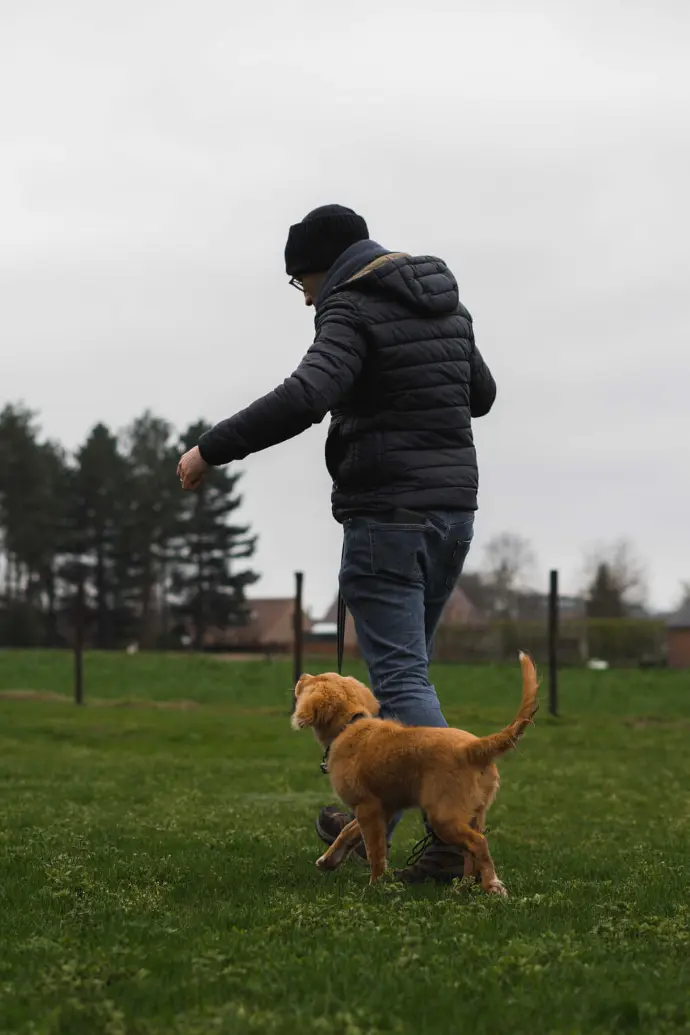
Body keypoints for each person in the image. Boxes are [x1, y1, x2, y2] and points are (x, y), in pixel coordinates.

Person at [177, 204, 496, 882]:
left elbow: (307, 393)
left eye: (303, 284)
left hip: (387, 514)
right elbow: (482, 393)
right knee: (400, 677)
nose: (307, 299)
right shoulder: (443, 300)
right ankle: (371, 813)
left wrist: (211, 448)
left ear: (323, 267)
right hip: (452, 513)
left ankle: (449, 838)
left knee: (401, 680)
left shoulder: (351, 307)